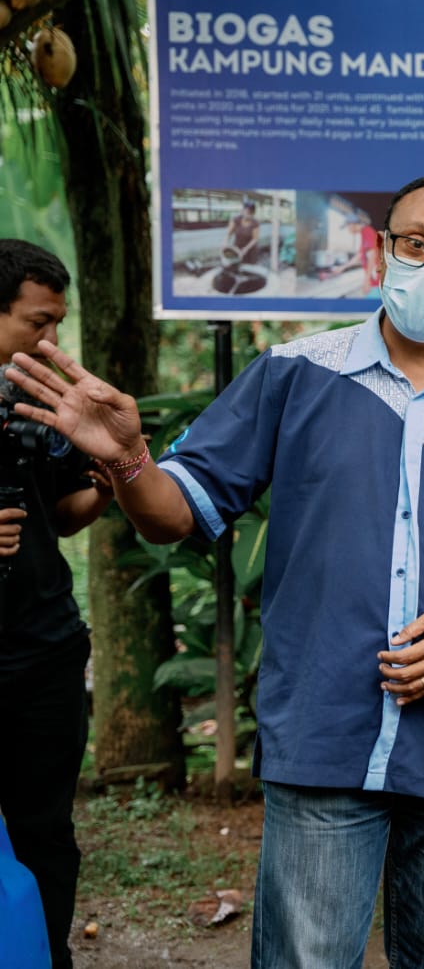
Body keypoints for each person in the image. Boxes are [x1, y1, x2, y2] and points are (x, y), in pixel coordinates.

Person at [7, 175, 424, 968]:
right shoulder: (294, 375)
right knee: (306, 958)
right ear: (382, 251)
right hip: (326, 736)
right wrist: (126, 458)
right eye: (415, 245)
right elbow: (176, 513)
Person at [0, 240, 114, 969]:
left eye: (56, 325)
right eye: (37, 325)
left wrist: (108, 480)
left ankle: (40, 957)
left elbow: (63, 511)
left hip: (43, 653)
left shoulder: (37, 399)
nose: (51, 342)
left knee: (45, 832)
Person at [226, 198, 262, 263]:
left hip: (250, 251)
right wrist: (225, 242)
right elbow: (229, 233)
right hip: (237, 249)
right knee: (236, 265)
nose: (248, 212)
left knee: (249, 269)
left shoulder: (255, 223)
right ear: (242, 210)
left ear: (253, 212)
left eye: (251, 211)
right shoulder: (236, 219)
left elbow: (255, 239)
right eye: (247, 210)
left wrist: (245, 249)